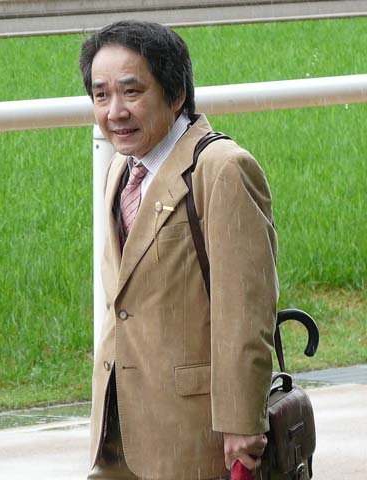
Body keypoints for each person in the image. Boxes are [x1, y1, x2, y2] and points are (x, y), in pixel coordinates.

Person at [79, 20, 278, 480]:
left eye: (132, 91)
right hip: (118, 428)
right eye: (101, 95)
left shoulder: (221, 169)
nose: (115, 111)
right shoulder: (120, 169)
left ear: (176, 94)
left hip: (194, 436)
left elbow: (245, 309)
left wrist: (241, 422)